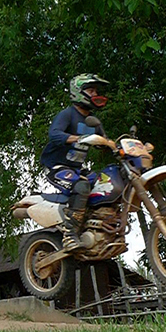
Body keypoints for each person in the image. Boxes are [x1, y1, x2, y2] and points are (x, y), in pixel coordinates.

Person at [40, 73, 109, 251]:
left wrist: (119, 147)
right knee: (81, 187)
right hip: (57, 167)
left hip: (78, 169)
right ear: (79, 92)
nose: (95, 94)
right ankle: (70, 236)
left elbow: (105, 142)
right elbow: (54, 134)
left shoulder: (94, 121)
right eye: (91, 90)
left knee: (107, 183)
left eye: (96, 90)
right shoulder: (68, 114)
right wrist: (79, 139)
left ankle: (96, 226)